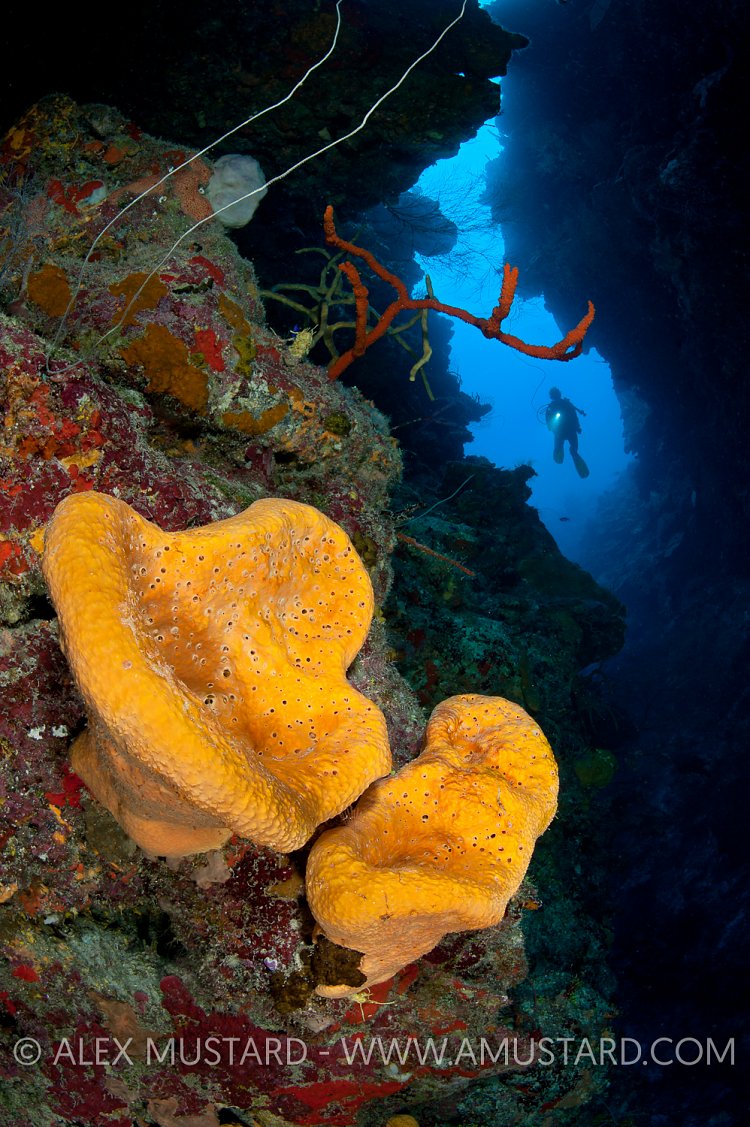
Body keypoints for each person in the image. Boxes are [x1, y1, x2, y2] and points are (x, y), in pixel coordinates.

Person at [544, 387, 590, 478]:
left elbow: (548, 421)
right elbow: (574, 415)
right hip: (569, 431)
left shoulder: (553, 406)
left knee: (560, 446)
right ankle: (573, 453)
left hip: (561, 432)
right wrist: (578, 427)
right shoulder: (565, 403)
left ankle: (565, 451)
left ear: (551, 397)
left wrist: (551, 428)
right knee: (573, 449)